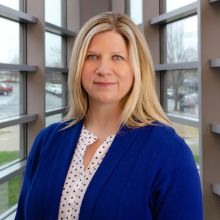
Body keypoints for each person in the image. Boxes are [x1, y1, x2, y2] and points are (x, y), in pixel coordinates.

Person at [15, 11, 203, 220]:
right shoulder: (47, 141)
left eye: (118, 58)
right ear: (79, 66)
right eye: (92, 57)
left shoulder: (170, 152)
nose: (104, 69)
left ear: (136, 68)